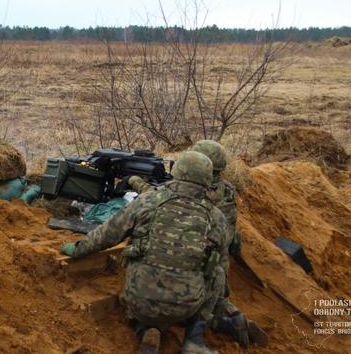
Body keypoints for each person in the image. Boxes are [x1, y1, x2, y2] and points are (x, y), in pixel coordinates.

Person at [60, 151, 229, 354]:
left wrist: (77, 249)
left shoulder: (148, 200)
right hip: (185, 307)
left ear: (176, 171)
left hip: (140, 300)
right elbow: (223, 262)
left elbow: (108, 234)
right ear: (207, 179)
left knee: (136, 255)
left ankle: (144, 329)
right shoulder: (216, 216)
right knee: (218, 272)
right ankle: (194, 340)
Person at [129, 141, 267, 349]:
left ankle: (148, 329)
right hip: (218, 264)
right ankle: (234, 319)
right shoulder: (227, 190)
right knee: (212, 294)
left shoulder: (201, 195)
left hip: (195, 268)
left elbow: (157, 198)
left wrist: (135, 181)